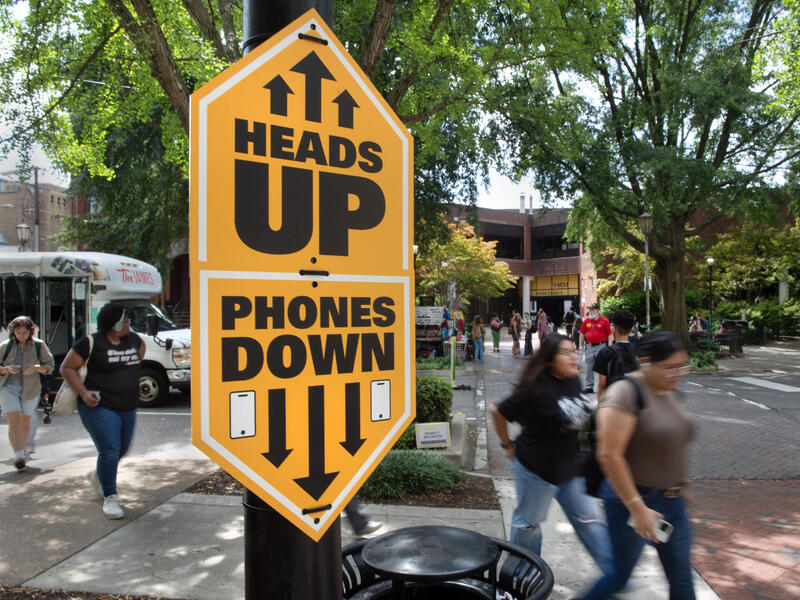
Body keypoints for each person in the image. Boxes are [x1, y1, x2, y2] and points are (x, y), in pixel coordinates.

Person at [578, 332, 696, 600]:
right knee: (618, 579)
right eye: (670, 367)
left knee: (681, 581)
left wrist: (683, 484)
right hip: (632, 504)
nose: (679, 373)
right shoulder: (625, 393)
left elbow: (674, 442)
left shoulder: (671, 392)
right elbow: (609, 456)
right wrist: (637, 506)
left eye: (683, 365)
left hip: (672, 502)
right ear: (645, 362)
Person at [490, 334, 612, 577]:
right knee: (528, 525)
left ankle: (615, 576)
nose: (573, 356)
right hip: (537, 472)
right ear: (549, 359)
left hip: (571, 470)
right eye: (566, 352)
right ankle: (520, 578)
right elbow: (498, 411)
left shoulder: (573, 380)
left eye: (574, 350)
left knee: (590, 522)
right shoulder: (534, 389)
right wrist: (507, 446)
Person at [61, 303, 145, 519]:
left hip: (128, 405)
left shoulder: (135, 340)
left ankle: (98, 475)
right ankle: (110, 497)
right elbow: (67, 367)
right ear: (115, 323)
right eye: (125, 320)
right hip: (99, 406)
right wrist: (83, 392)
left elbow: (137, 359)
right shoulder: (90, 343)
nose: (129, 324)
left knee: (122, 450)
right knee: (109, 449)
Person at [0, 316, 54, 470]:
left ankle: (21, 451)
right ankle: (18, 456)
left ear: (31, 332)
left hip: (31, 388)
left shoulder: (39, 345)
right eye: (18, 332)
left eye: (24, 332)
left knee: (25, 423)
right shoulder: (5, 346)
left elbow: (49, 366)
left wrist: (37, 368)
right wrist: (6, 370)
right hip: (8, 387)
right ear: (13, 332)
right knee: (14, 420)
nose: (21, 335)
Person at [592, 310, 638, 403]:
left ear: (613, 329)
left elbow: (602, 385)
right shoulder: (639, 351)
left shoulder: (605, 353)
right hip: (634, 401)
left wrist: (600, 406)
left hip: (612, 402)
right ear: (632, 329)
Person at [579, 303, 612, 394]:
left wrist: (609, 346)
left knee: (603, 366)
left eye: (592, 309)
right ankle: (589, 386)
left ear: (597, 310)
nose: (590, 311)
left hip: (601, 346)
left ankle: (605, 385)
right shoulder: (587, 321)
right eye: (589, 309)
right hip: (589, 346)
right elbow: (582, 333)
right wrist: (580, 345)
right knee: (589, 367)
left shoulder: (604, 321)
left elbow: (609, 334)